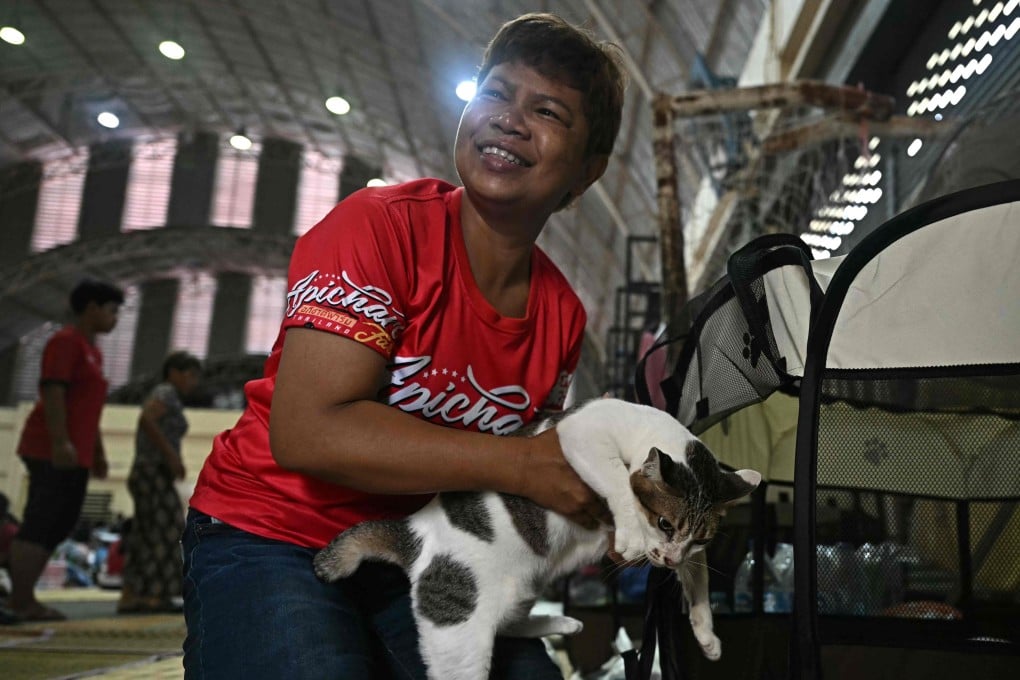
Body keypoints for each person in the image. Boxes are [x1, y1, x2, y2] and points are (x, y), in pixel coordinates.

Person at [183, 12, 625, 679]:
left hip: (417, 557)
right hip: (275, 534)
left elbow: (515, 481)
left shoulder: (560, 314)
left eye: (548, 111)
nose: (508, 118)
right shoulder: (378, 227)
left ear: (586, 173)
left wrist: (600, 512)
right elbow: (308, 433)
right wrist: (522, 466)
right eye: (496, 93)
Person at [5, 278, 123, 622]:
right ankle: (20, 600)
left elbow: (89, 409)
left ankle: (24, 597)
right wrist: (60, 441)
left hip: (77, 452)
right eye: (112, 311)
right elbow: (54, 391)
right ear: (92, 308)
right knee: (41, 521)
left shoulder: (94, 352)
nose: (115, 319)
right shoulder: (65, 342)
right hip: (50, 447)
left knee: (61, 522)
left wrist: (97, 451)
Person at [117, 351, 202, 614]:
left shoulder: (168, 394)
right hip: (154, 470)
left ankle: (132, 593)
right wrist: (171, 456)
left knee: (145, 531)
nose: (193, 382)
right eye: (189, 375)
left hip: (148, 469)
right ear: (174, 372)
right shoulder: (165, 393)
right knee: (164, 530)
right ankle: (153, 594)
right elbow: (147, 420)